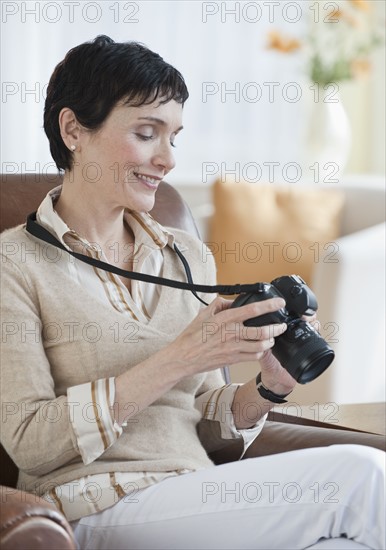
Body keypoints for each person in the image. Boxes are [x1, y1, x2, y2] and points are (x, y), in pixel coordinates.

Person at [0, 35, 384, 550]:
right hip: (93, 507)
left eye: (174, 137)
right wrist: (181, 356)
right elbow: (30, 444)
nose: (167, 159)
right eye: (146, 132)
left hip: (192, 496)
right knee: (362, 475)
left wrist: (268, 388)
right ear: (73, 129)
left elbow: (206, 426)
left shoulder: (186, 256)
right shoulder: (14, 263)